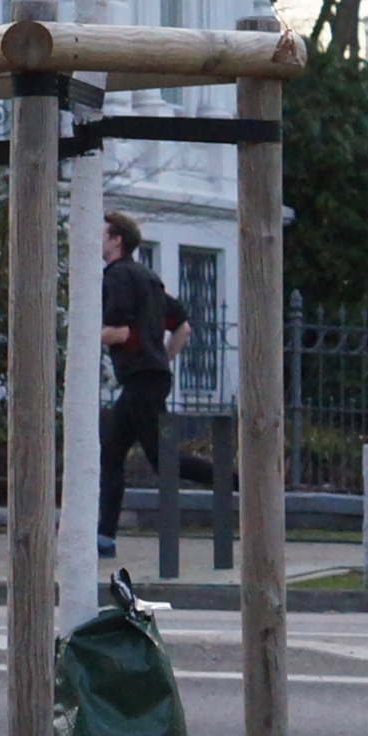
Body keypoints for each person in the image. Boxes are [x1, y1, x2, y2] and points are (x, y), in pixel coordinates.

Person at [96, 211, 213, 556]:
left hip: (140, 380)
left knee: (163, 459)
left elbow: (121, 331)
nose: (98, 239)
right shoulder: (148, 277)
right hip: (148, 379)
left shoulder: (116, 276)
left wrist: (85, 334)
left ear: (117, 239)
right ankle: (104, 538)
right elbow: (183, 328)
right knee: (112, 452)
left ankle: (241, 482)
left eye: (102, 233)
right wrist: (162, 357)